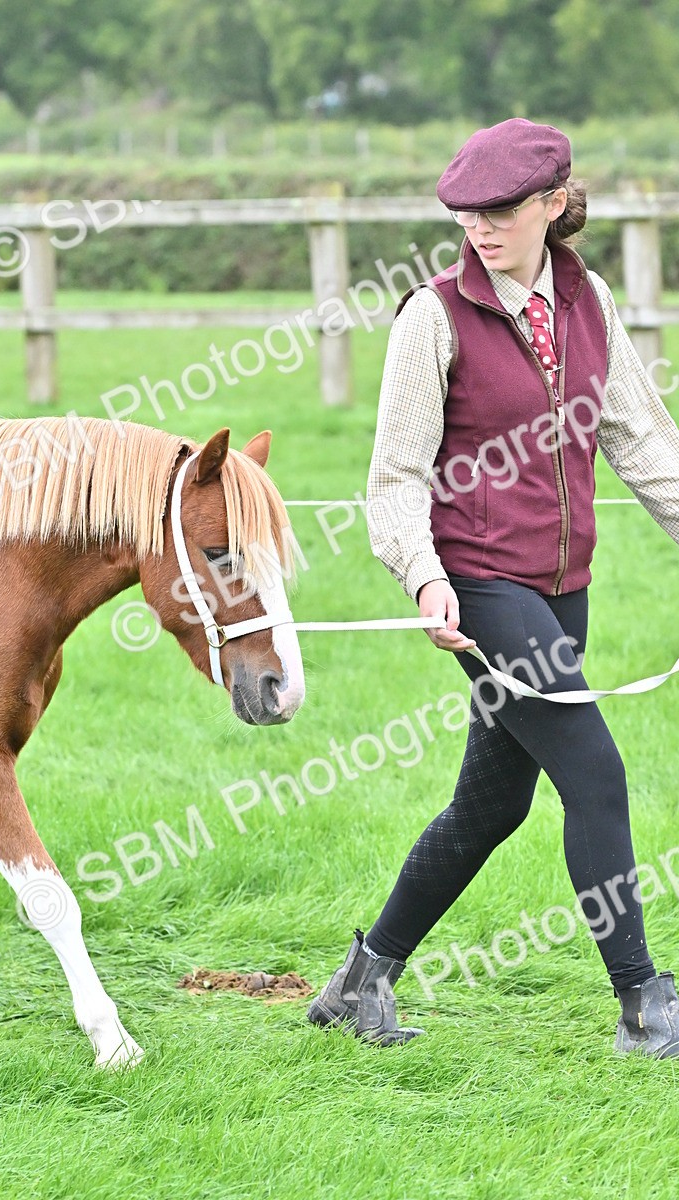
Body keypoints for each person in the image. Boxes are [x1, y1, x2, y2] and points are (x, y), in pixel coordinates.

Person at [306, 118, 679, 1057]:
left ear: (554, 204)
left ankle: (364, 980)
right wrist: (426, 579)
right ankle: (644, 1002)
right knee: (597, 775)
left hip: (565, 586)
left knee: (493, 804)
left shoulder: (588, 301)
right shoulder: (432, 317)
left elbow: (638, 436)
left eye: (502, 211)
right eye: (466, 214)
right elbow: (396, 477)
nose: (480, 228)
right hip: (481, 585)